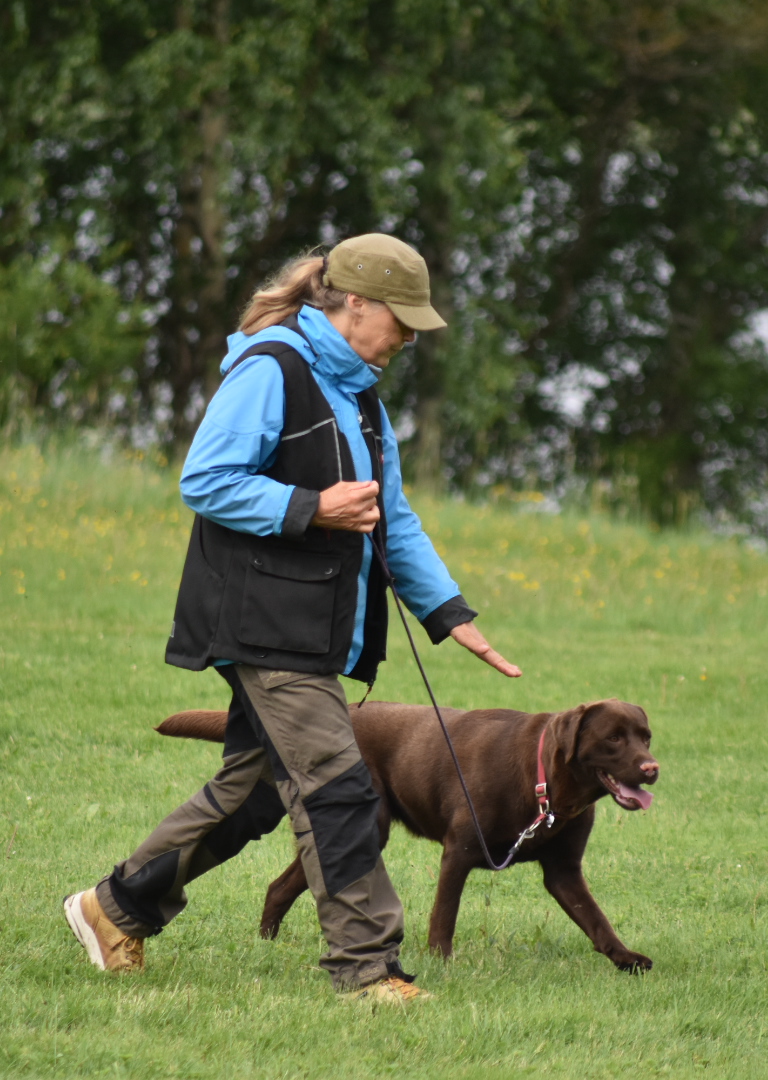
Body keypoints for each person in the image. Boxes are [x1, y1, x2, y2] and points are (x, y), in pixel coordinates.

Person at [63, 234, 520, 1004]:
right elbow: (206, 478)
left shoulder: (364, 396)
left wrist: (449, 613)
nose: (408, 337)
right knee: (340, 787)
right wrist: (310, 507)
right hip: (262, 618)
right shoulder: (271, 367)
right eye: (401, 320)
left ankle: (113, 910)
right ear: (355, 305)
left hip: (313, 627)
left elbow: (391, 518)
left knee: (254, 796)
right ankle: (369, 969)